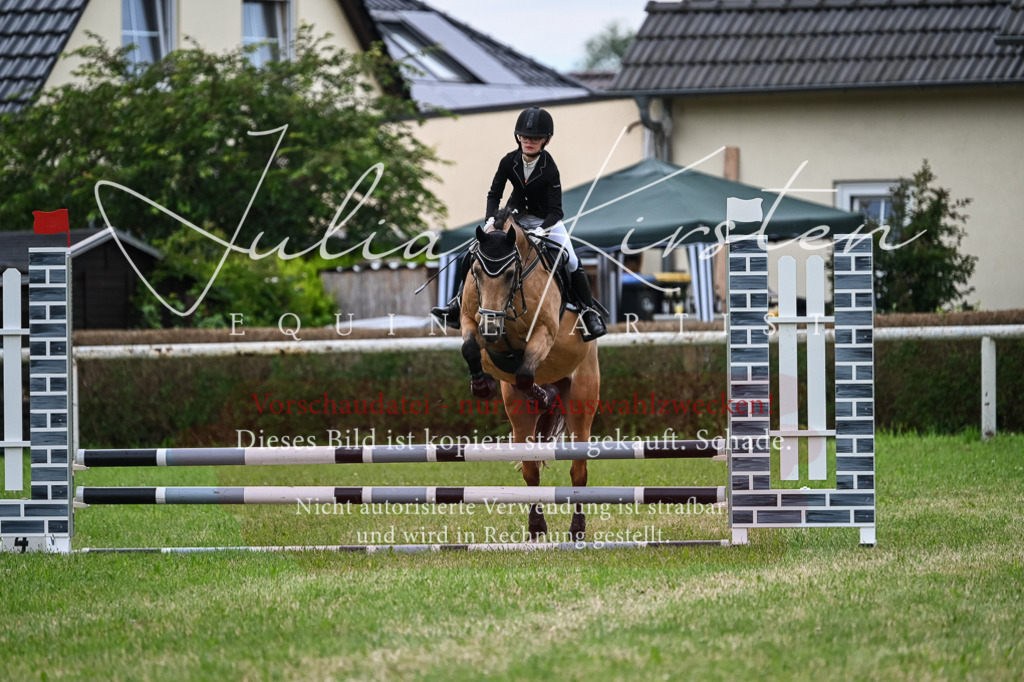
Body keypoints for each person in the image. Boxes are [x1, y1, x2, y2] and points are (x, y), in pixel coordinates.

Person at [432, 107, 607, 341]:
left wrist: (541, 230)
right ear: (518, 137)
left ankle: (588, 312)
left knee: (572, 259)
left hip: (545, 221)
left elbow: (556, 211)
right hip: (514, 218)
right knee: (475, 251)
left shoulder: (550, 168)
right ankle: (456, 304)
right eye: (524, 136)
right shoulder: (508, 161)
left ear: (546, 140)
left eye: (535, 138)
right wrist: (490, 220)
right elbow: (494, 194)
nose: (528, 142)